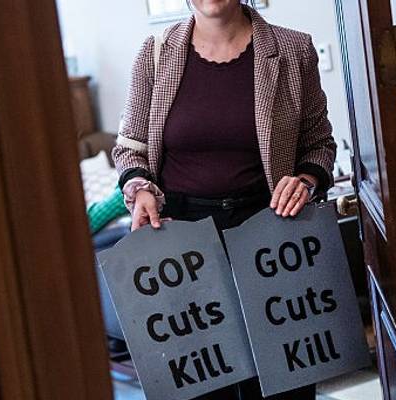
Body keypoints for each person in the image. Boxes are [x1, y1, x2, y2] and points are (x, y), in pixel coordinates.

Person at [111, 0, 336, 398]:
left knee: (284, 383)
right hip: (181, 244)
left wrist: (305, 180)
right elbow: (130, 148)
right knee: (202, 385)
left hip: (271, 232)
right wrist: (140, 187)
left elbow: (319, 145)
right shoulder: (155, 53)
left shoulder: (294, 50)